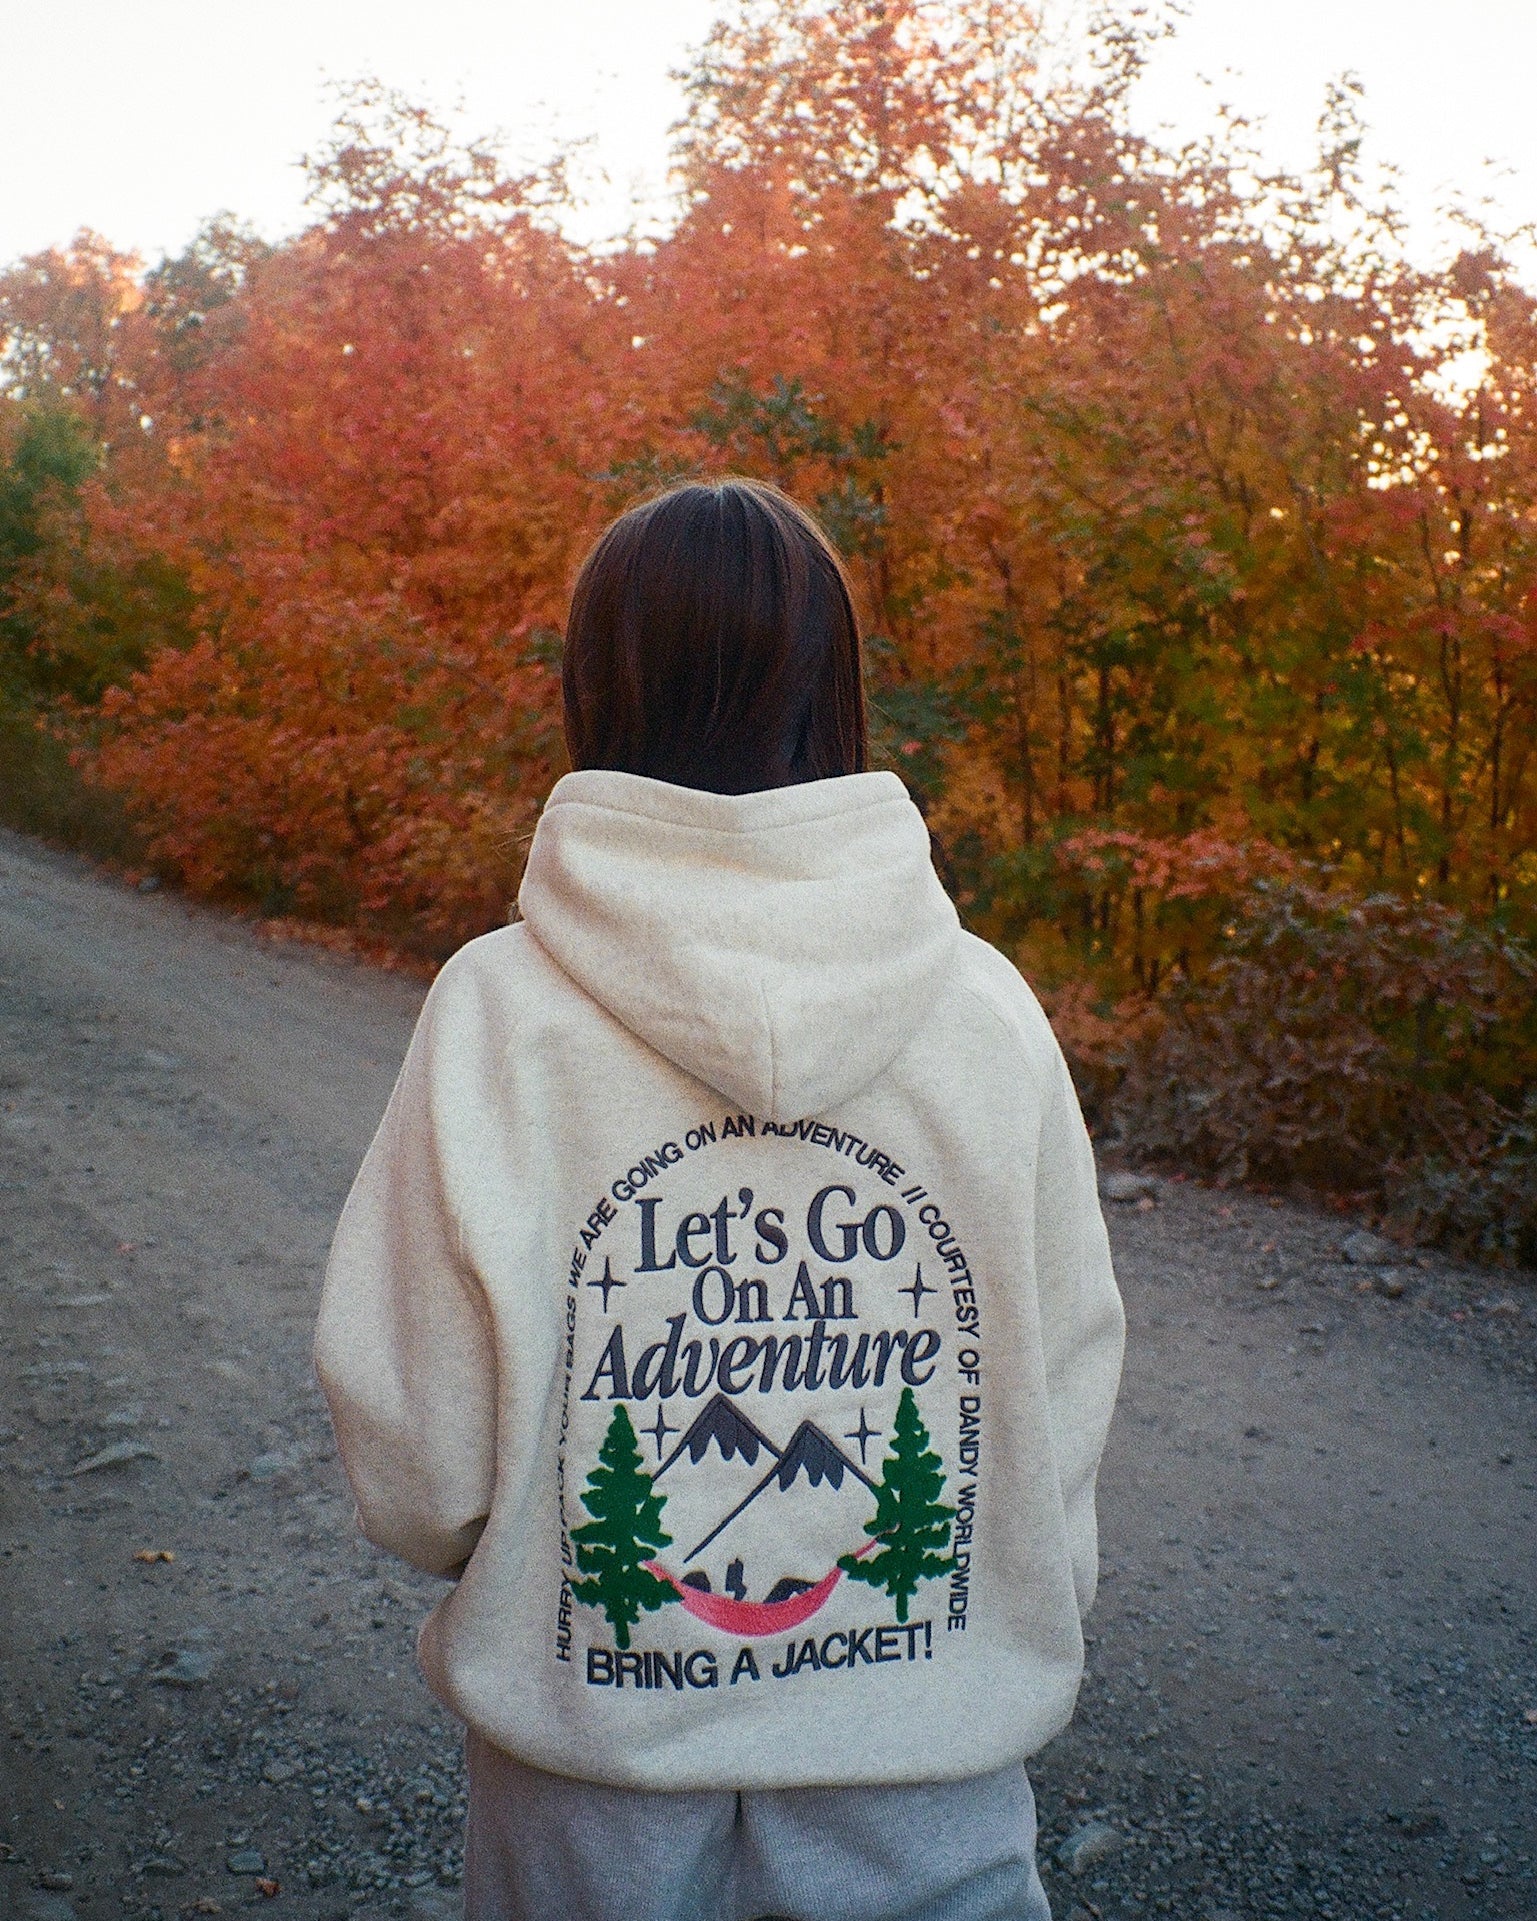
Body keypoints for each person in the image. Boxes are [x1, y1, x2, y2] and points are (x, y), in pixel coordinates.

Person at [314, 477, 1125, 1921]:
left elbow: (419, 1442)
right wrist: (995, 1577)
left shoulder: (500, 1015)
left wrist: (506, 1545)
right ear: (838, 689)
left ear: (594, 688)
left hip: (592, 1775)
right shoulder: (986, 1012)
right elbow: (1059, 1381)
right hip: (927, 1757)